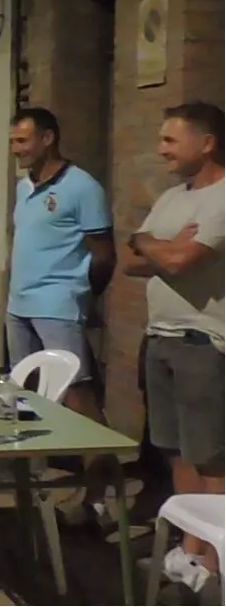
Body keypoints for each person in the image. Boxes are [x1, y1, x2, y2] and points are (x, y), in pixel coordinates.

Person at [124, 102, 224, 592]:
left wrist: (153, 246)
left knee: (211, 458)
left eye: (170, 140)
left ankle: (214, 560)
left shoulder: (223, 197)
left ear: (206, 143)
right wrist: (149, 241)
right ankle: (189, 551)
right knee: (177, 451)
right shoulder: (169, 198)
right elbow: (130, 260)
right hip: (159, 338)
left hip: (202, 343)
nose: (161, 149)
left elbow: (183, 260)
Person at [2, 107, 118, 527]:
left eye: (23, 141)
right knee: (28, 397)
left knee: (78, 399)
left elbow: (104, 255)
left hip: (57, 306)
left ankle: (97, 500)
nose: (16, 149)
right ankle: (28, 490)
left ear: (48, 138)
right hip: (19, 306)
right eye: (13, 141)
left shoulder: (82, 187)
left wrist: (81, 295)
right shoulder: (22, 187)